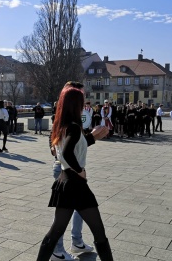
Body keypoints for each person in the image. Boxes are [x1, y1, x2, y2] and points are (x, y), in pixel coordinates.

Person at [37, 86, 113, 261]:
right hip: (75, 184)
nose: (85, 104)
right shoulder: (74, 127)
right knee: (99, 233)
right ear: (75, 104)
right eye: (82, 100)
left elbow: (64, 151)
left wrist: (92, 138)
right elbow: (67, 153)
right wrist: (81, 171)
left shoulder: (61, 126)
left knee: (54, 232)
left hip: (64, 181)